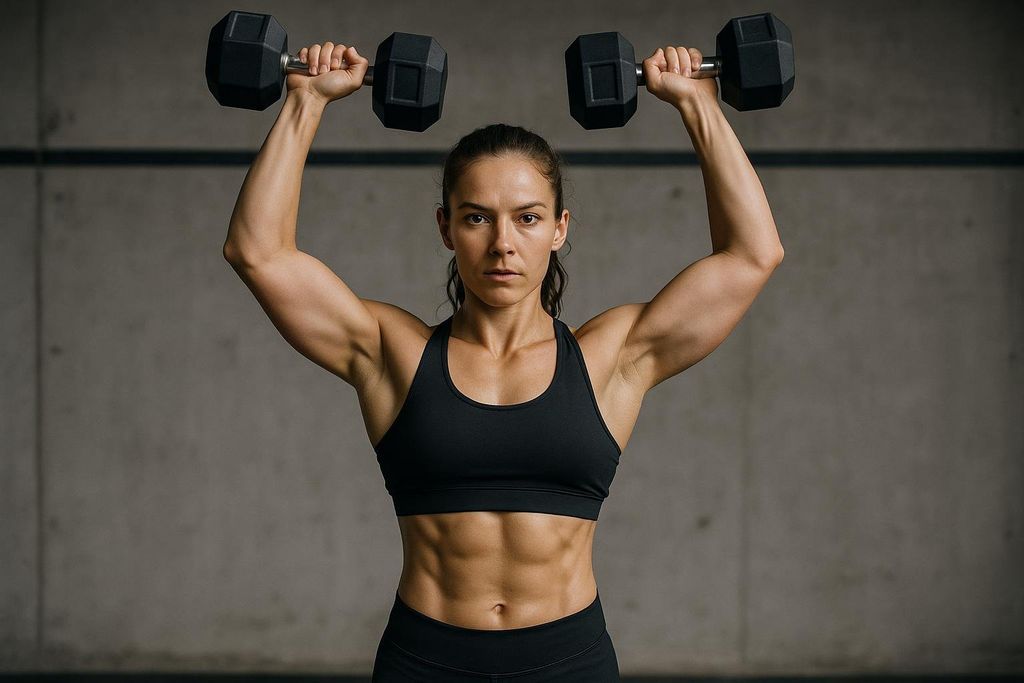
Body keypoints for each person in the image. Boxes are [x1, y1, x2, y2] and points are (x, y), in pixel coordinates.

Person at [222, 38, 784, 682]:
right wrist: (305, 101)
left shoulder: (612, 356)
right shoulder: (391, 352)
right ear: (445, 227)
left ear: (559, 228)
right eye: (476, 218)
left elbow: (751, 256)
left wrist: (699, 103)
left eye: (527, 218)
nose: (502, 244)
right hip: (425, 662)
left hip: (568, 663)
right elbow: (258, 252)